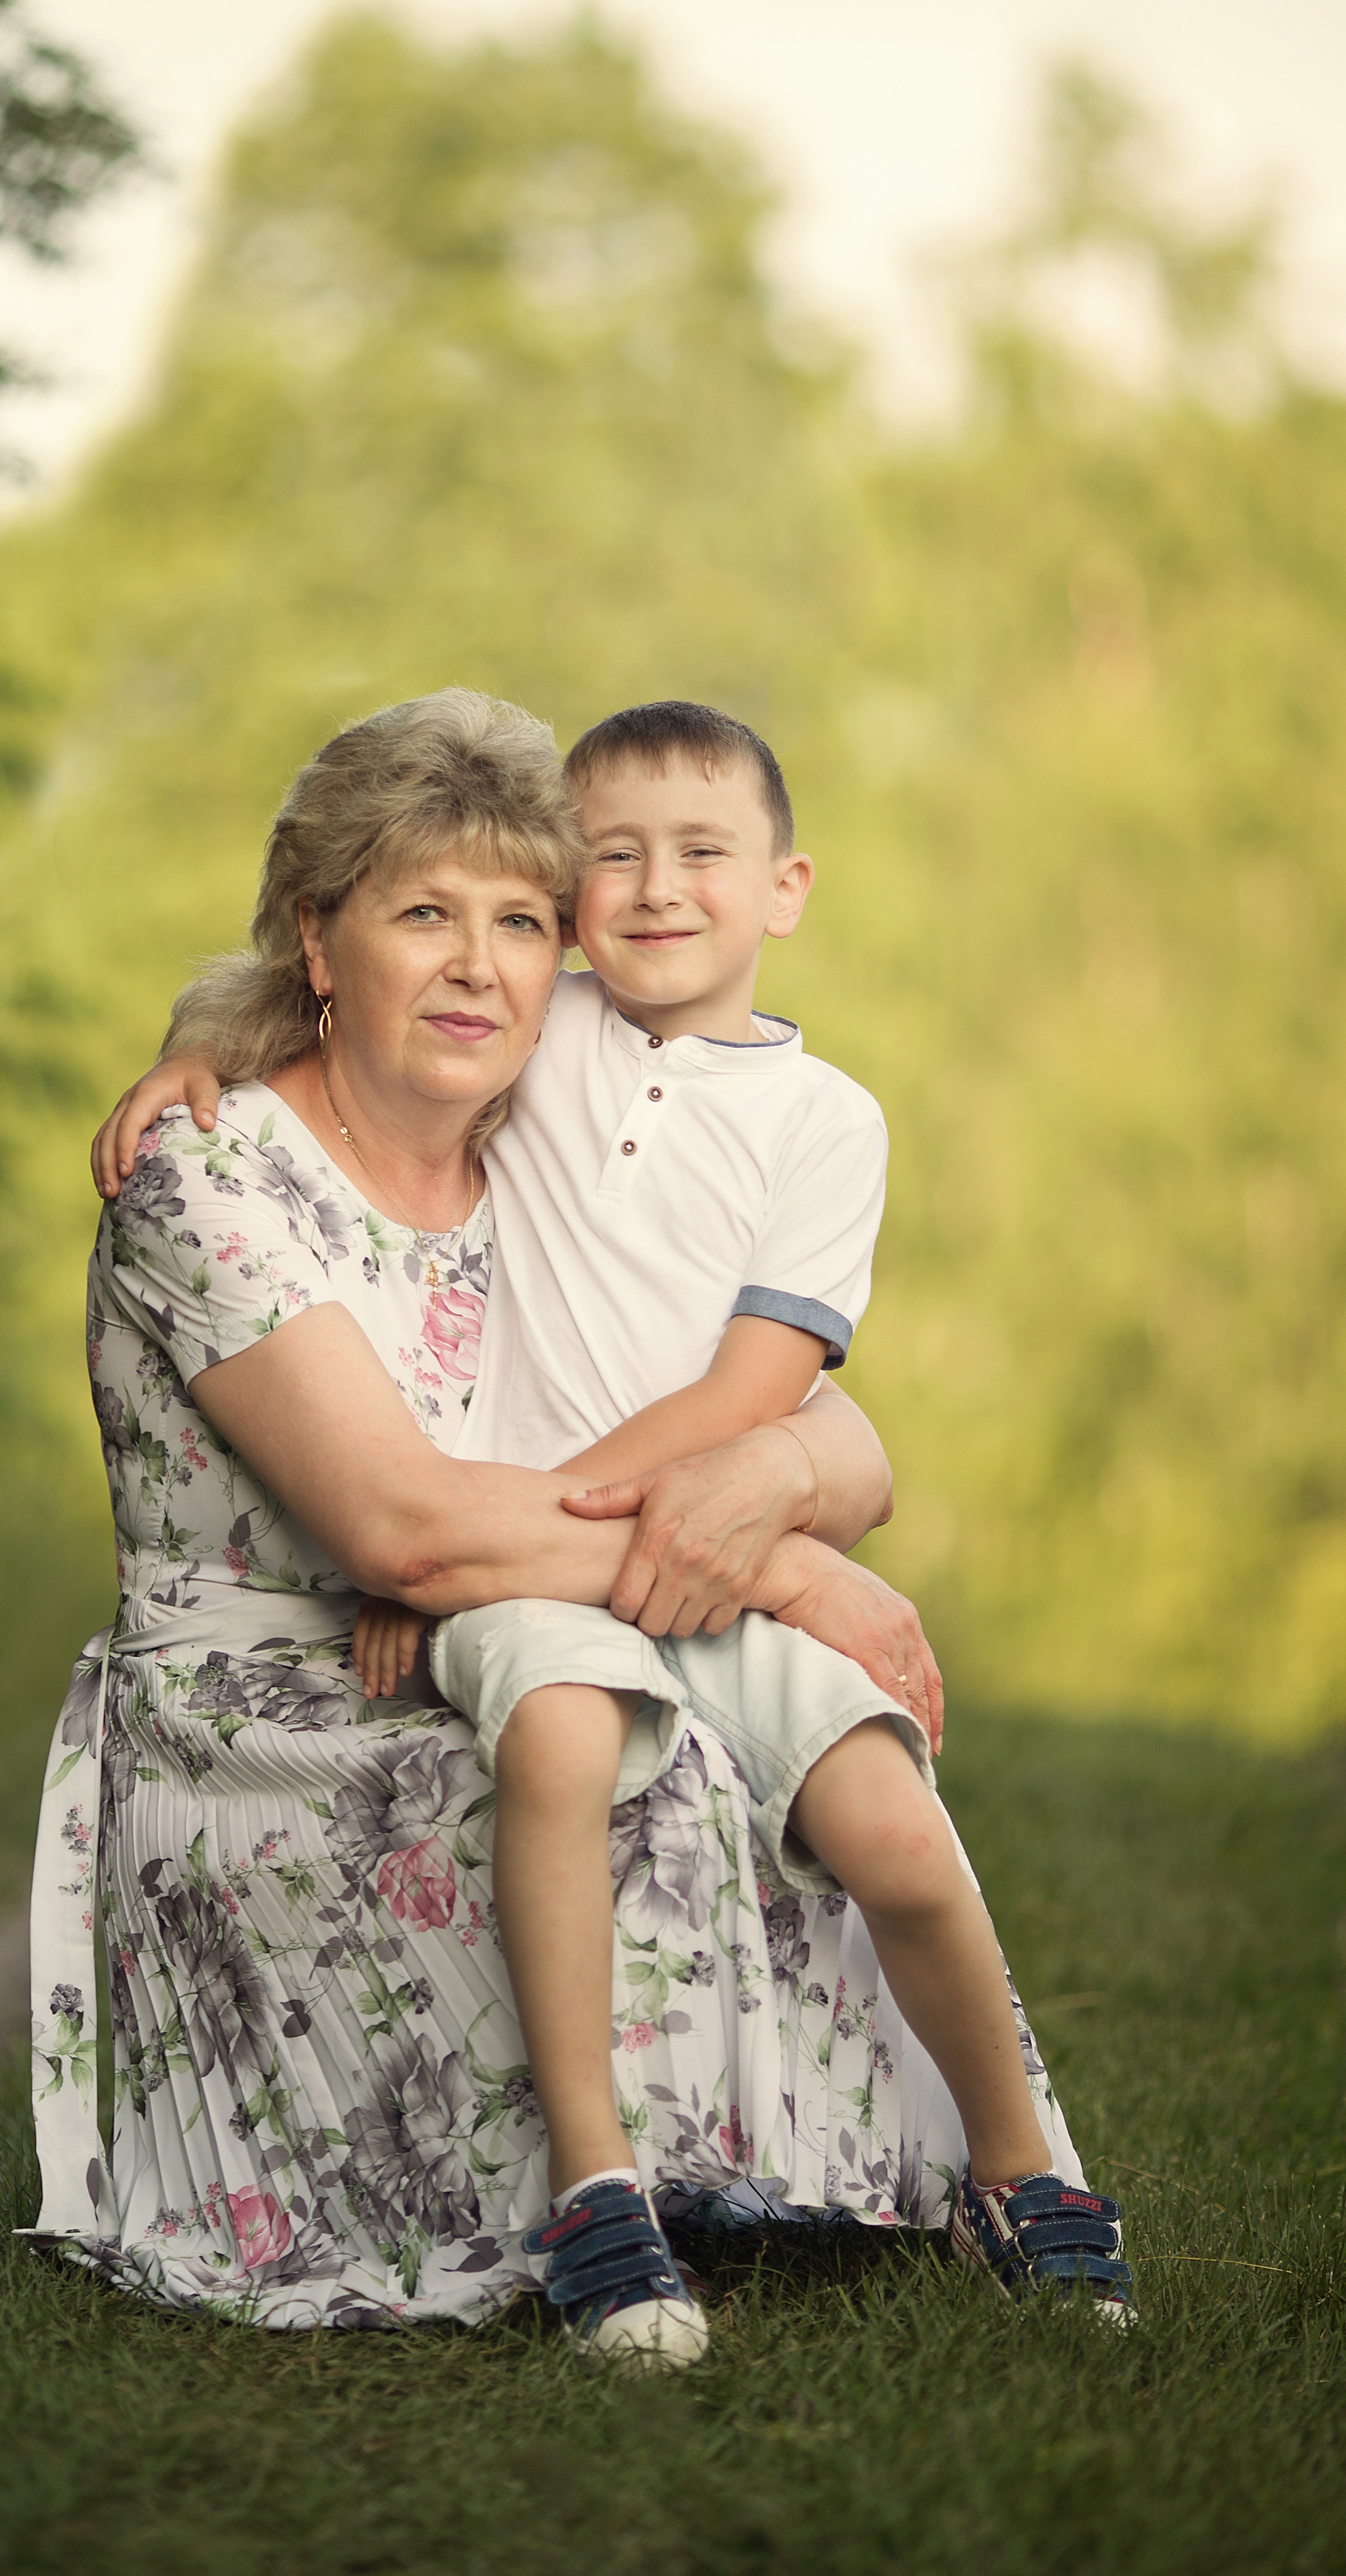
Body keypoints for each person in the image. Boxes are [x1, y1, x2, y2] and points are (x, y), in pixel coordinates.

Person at [90, 698, 1132, 2355]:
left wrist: (794, 1493)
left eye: (514, 920)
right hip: (334, 1663)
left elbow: (813, 1416)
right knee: (577, 1735)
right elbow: (408, 1536)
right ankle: (600, 2197)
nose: (480, 964)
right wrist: (778, 1558)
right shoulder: (236, 1159)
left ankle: (1010, 2182)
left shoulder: (530, 1115)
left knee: (858, 1778)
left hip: (549, 1580)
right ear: (320, 932)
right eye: (424, 912)